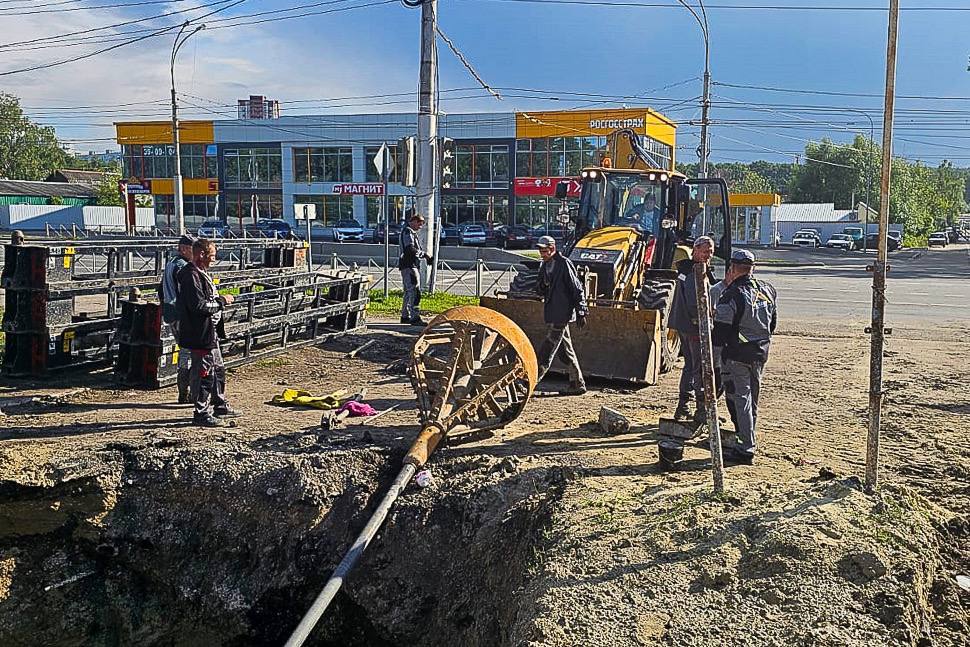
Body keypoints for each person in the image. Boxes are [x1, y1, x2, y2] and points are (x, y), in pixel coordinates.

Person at [713, 249, 777, 464]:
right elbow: (773, 323)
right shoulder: (767, 290)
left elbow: (720, 331)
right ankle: (747, 438)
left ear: (732, 268)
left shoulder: (732, 294)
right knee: (752, 399)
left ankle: (746, 447)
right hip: (760, 352)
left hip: (738, 355)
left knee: (741, 400)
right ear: (753, 268)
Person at [177, 238, 239, 427]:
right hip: (199, 333)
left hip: (209, 331)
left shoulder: (201, 273)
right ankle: (201, 412)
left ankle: (219, 403)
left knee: (217, 368)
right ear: (201, 254)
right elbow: (198, 306)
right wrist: (221, 301)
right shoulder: (190, 275)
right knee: (205, 371)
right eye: (212, 256)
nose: (214, 260)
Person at [668, 236, 715, 422]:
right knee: (699, 368)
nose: (708, 255)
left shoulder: (687, 269)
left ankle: (683, 406)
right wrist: (704, 323)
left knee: (690, 366)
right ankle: (701, 410)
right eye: (705, 251)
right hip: (694, 326)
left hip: (684, 324)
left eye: (711, 252)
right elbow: (695, 302)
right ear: (695, 250)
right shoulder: (693, 272)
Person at [535, 235, 588, 396]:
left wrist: (581, 311)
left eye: (545, 251)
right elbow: (539, 289)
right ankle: (577, 383)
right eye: (541, 251)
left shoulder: (564, 264)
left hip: (562, 313)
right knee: (565, 351)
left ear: (552, 249)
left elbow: (577, 288)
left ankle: (531, 380)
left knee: (548, 348)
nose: (542, 254)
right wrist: (542, 286)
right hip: (552, 312)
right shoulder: (544, 266)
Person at [161, 234, 194, 403]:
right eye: (191, 249)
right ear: (183, 249)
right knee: (187, 352)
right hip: (182, 313)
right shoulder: (183, 266)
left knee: (184, 350)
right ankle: (186, 392)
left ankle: (184, 392)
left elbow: (161, 289)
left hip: (171, 311)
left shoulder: (171, 263)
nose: (194, 253)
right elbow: (187, 293)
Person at [398, 213, 429, 326]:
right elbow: (410, 249)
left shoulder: (410, 232)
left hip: (408, 265)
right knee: (415, 291)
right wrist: (425, 255)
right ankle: (414, 317)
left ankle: (405, 316)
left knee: (408, 292)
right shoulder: (408, 232)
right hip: (409, 265)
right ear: (414, 221)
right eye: (419, 224)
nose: (420, 227)